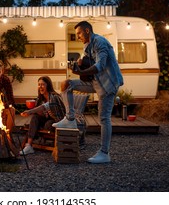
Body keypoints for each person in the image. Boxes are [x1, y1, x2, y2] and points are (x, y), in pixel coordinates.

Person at [52, 21, 123, 164]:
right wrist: (79, 66)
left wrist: (83, 70)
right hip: (96, 83)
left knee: (103, 118)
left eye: (79, 33)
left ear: (87, 31)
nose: (77, 36)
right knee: (66, 84)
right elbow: (86, 67)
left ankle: (104, 153)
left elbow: (100, 65)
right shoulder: (86, 46)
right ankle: (70, 119)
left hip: (108, 84)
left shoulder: (100, 42)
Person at [19, 76, 66, 155]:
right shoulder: (40, 99)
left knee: (48, 124)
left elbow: (45, 106)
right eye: (39, 85)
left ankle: (38, 138)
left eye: (42, 84)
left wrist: (30, 111)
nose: (40, 87)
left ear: (48, 85)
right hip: (46, 120)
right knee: (35, 118)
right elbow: (41, 111)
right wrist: (39, 113)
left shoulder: (54, 97)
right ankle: (29, 146)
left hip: (57, 121)